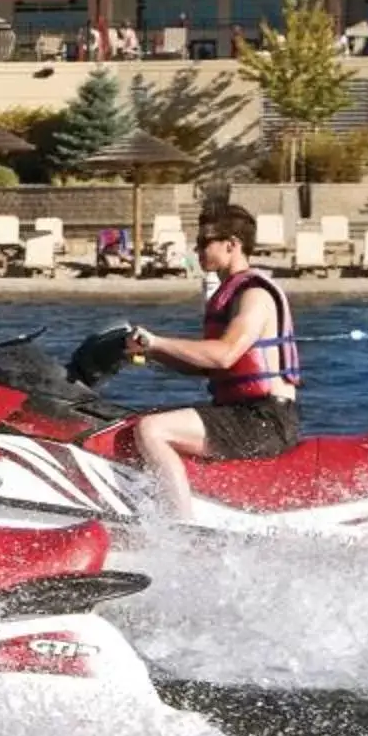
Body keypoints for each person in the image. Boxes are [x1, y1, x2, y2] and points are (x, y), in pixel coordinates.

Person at [122, 204, 300, 522]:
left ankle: (181, 525)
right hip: (241, 413)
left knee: (152, 430)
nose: (197, 249)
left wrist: (159, 340)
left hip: (263, 420)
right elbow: (206, 366)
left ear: (231, 244)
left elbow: (224, 354)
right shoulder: (229, 293)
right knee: (136, 419)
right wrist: (150, 352)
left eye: (205, 242)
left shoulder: (254, 294)